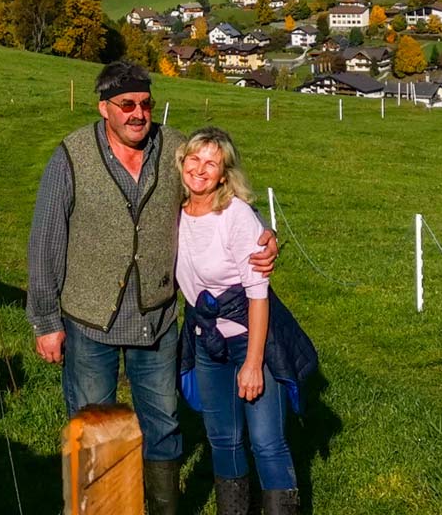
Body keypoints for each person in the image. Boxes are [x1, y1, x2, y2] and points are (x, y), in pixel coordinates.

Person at [28, 61, 278, 515]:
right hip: (88, 318)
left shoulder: (175, 148)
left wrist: (264, 231)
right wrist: (46, 320)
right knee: (94, 426)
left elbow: (219, 189)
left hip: (156, 318)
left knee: (163, 426)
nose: (139, 113)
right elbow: (46, 240)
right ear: (105, 108)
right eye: (127, 105)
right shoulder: (70, 156)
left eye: (145, 103)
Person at [175, 127, 316, 515]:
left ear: (224, 174)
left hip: (247, 340)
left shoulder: (234, 216)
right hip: (206, 340)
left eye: (212, 163)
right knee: (223, 439)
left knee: (267, 441)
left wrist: (253, 364)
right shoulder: (175, 210)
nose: (200, 170)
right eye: (194, 159)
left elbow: (258, 294)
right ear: (182, 162)